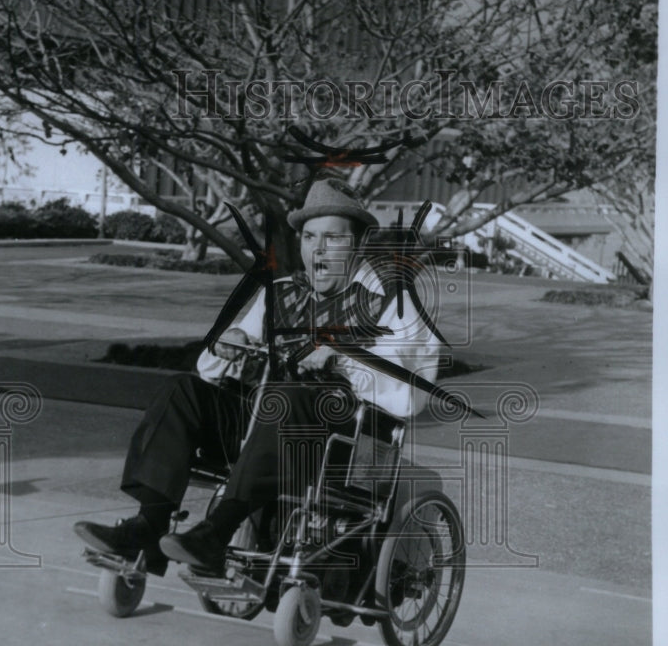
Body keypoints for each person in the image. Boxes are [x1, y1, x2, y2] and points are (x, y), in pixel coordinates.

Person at [74, 178, 440, 577]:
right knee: (183, 390)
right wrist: (229, 343)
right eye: (309, 237)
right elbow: (209, 370)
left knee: (290, 397)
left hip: (345, 447)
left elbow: (409, 396)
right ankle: (149, 524)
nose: (317, 249)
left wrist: (343, 358)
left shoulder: (393, 303)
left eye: (332, 238)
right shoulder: (281, 293)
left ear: (357, 245)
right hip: (264, 430)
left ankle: (218, 532)